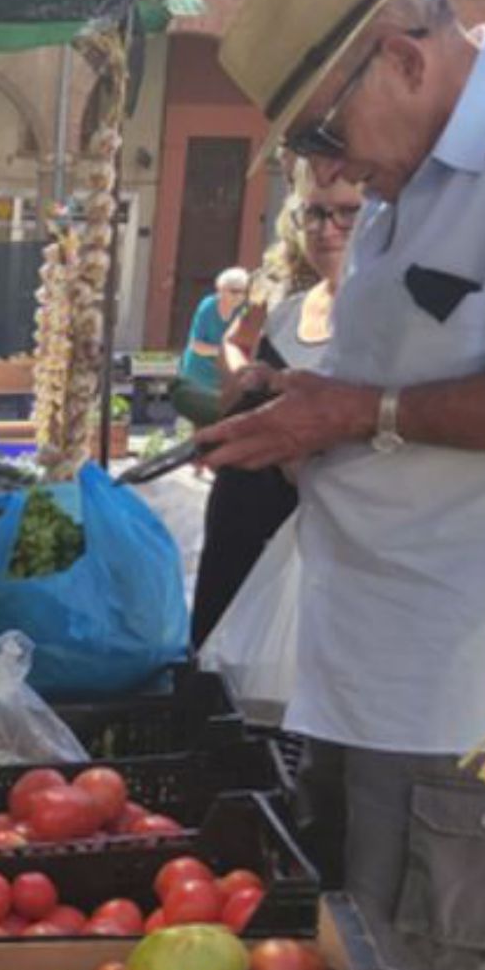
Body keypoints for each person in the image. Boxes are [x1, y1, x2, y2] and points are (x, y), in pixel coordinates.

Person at [203, 0, 485, 970]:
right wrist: (301, 402)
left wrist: (355, 415)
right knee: (369, 960)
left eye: (322, 131)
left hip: (472, 679)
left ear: (405, 57)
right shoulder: (408, 169)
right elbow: (414, 373)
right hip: (368, 655)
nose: (324, 172)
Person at [190, 166, 363, 647]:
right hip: (239, 535)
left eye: (348, 213)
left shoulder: (381, 325)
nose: (327, 228)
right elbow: (236, 345)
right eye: (315, 213)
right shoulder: (286, 310)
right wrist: (247, 380)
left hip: (311, 555)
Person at [177, 267, 249, 401]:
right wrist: (226, 351)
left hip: (225, 377)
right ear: (221, 290)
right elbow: (197, 346)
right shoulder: (208, 307)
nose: (240, 296)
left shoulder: (244, 309)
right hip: (198, 373)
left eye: (244, 292)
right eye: (234, 291)